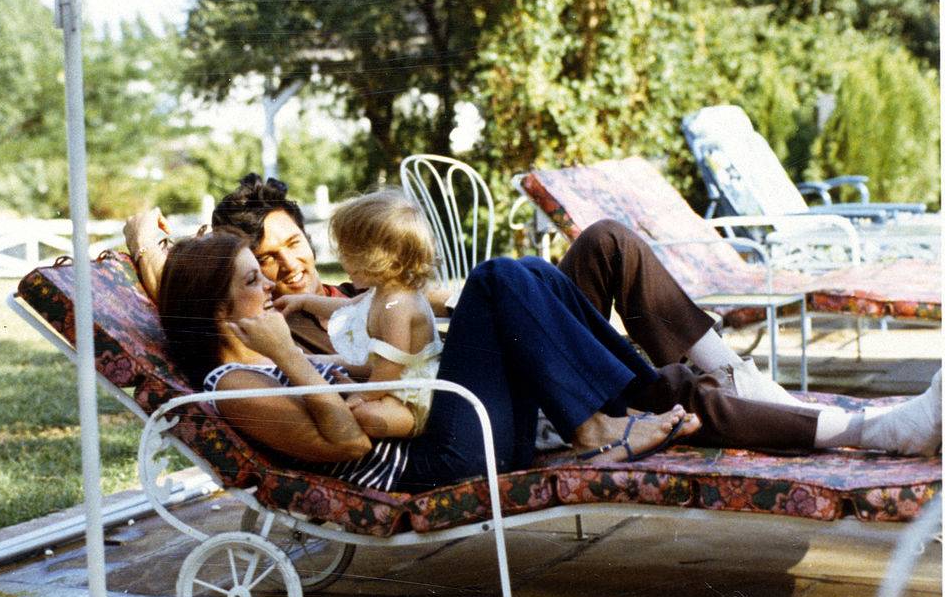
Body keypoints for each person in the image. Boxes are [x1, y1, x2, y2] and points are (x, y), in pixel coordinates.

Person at [128, 175, 941, 457]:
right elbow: (349, 425)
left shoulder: (327, 299)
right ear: (229, 296)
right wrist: (144, 243)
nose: (286, 269)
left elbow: (411, 315)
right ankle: (853, 427)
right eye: (260, 268)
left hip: (474, 380)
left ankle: (731, 378)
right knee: (504, 282)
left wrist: (438, 302)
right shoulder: (262, 347)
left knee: (605, 243)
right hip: (459, 418)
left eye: (294, 245)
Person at [157, 231, 703, 493]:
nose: (270, 284)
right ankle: (600, 424)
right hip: (438, 461)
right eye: (254, 279)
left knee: (528, 270)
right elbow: (349, 443)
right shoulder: (235, 385)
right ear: (216, 310)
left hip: (450, 431)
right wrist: (287, 353)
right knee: (495, 280)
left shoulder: (261, 360)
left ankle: (635, 394)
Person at [274, 190, 443, 438]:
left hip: (414, 393)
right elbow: (348, 308)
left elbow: (390, 366)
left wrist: (363, 394)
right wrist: (304, 302)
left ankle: (418, 426)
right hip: (391, 382)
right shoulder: (382, 292)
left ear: (381, 257)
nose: (342, 261)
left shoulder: (398, 305)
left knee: (364, 416)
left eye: (349, 254)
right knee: (340, 384)